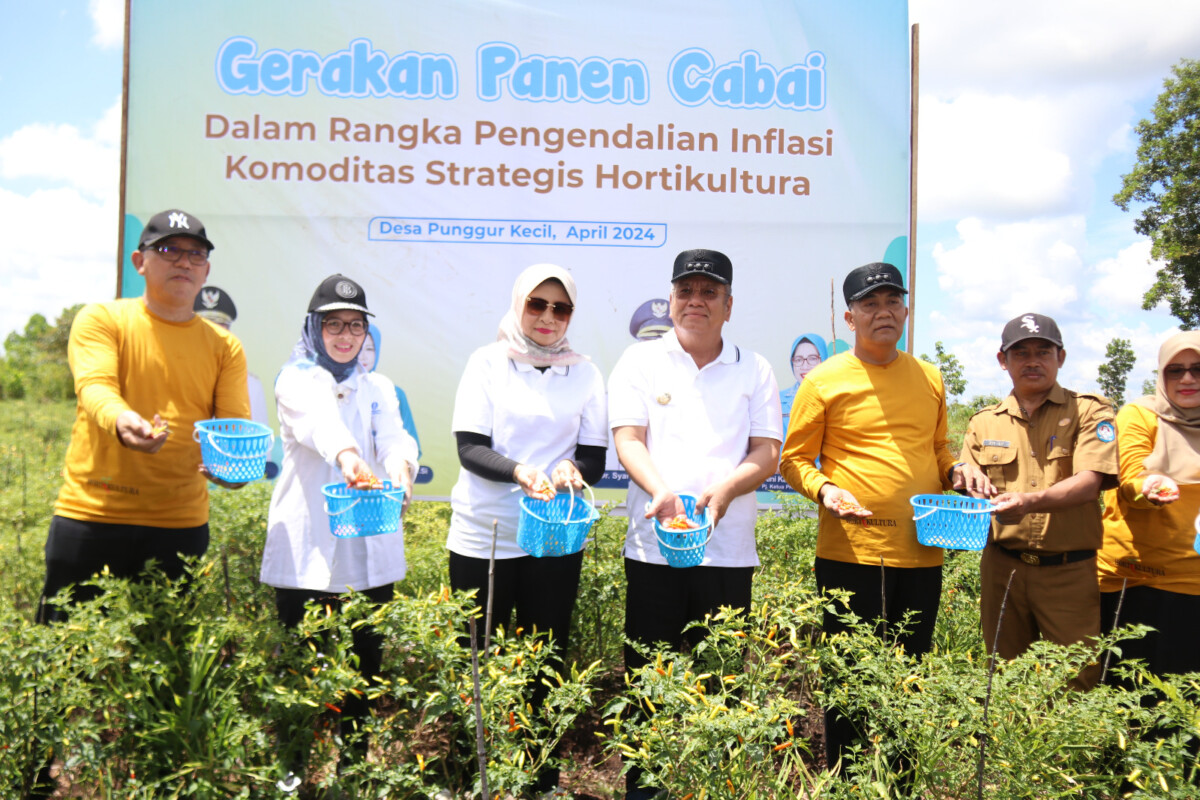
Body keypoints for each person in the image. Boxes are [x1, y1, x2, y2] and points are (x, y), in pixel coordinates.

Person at [779, 261, 985, 773]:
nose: (883, 312)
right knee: (849, 683)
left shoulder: (929, 378)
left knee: (908, 681)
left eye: (892, 301)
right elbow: (794, 460)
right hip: (849, 555)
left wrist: (957, 470)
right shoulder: (823, 380)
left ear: (907, 310)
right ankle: (850, 781)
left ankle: (900, 781)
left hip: (921, 555)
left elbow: (936, 449)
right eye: (869, 304)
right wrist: (826, 490)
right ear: (850, 319)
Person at [609, 248, 782, 800]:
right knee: (649, 682)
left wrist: (729, 489)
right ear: (673, 297)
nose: (696, 301)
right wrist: (659, 490)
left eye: (710, 292)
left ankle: (712, 788)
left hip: (727, 553)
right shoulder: (640, 362)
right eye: (687, 290)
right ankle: (646, 791)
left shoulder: (755, 368)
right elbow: (628, 438)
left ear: (728, 305)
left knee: (721, 685)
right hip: (654, 549)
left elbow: (767, 452)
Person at [37, 209, 250, 625]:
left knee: (162, 669)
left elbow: (232, 428)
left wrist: (235, 468)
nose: (183, 262)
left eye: (196, 254)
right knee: (63, 662)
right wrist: (121, 420)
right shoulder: (102, 319)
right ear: (140, 262)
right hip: (92, 515)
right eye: (169, 250)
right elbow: (95, 386)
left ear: (206, 270)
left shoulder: (225, 347)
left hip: (179, 526)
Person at [446, 262, 608, 795]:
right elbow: (469, 448)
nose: (548, 317)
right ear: (518, 306)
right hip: (485, 534)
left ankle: (540, 778)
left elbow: (592, 457)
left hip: (553, 536)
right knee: (475, 656)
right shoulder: (487, 363)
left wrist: (571, 471)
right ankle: (474, 775)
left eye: (560, 308)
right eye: (537, 305)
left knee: (546, 656)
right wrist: (519, 471)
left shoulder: (584, 372)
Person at [259, 273, 419, 784]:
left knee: (363, 674)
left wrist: (401, 471)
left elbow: (396, 439)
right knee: (300, 678)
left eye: (355, 326)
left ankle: (351, 777)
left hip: (368, 552)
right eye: (334, 325)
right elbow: (320, 423)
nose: (346, 336)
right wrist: (350, 458)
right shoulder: (296, 378)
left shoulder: (380, 387)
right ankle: (292, 778)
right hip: (305, 554)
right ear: (314, 328)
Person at [959, 313, 1117, 690]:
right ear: (1003, 360)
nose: (1033, 361)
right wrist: (966, 480)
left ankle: (1074, 752)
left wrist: (1029, 502)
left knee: (1077, 678)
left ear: (1060, 357)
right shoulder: (984, 422)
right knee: (1005, 677)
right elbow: (967, 478)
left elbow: (1089, 483)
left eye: (1043, 351)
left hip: (1069, 572)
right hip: (1002, 568)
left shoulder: (1090, 410)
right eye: (1021, 352)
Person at [1098, 331, 1200, 679]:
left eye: (1198, 369)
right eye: (1176, 370)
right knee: (1130, 698)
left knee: (1185, 703)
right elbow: (1130, 478)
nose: (1187, 378)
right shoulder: (1141, 415)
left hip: (1194, 579)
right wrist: (1150, 487)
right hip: (1136, 576)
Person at [193, 285, 280, 477]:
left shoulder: (251, 385)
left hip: (230, 483)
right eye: (205, 328)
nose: (213, 336)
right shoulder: (175, 375)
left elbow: (262, 457)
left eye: (220, 329)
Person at [359, 322, 423, 458]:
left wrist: (400, 461)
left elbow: (413, 448)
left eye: (370, 349)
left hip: (384, 476)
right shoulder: (337, 388)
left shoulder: (393, 392)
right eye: (358, 348)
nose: (363, 356)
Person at [779, 332, 829, 422]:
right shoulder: (778, 401)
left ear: (824, 360)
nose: (805, 366)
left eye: (812, 358)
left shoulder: (837, 399)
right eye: (798, 360)